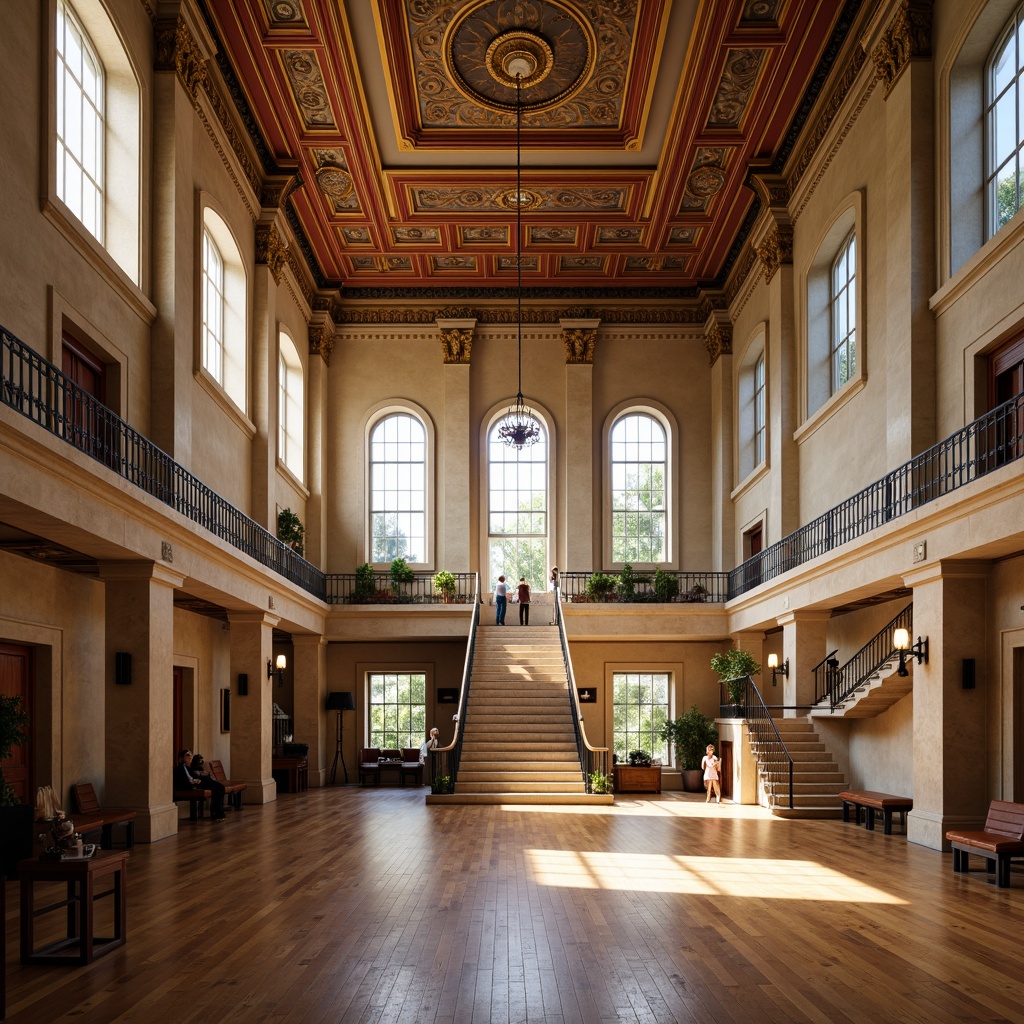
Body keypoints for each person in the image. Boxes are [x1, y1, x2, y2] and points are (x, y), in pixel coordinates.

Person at [174, 748, 227, 820]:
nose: (190, 756)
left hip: (200, 781)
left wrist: (201, 775)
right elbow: (186, 780)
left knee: (220, 787)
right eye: (187, 755)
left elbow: (199, 773)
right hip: (194, 784)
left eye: (191, 754)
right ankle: (217, 811)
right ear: (182, 758)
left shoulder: (193, 766)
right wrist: (195, 780)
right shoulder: (181, 768)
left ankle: (217, 810)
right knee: (218, 787)